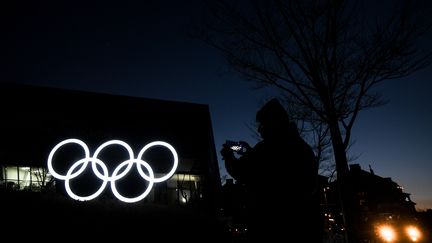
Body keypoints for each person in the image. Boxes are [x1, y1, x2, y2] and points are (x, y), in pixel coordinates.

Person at [220, 98, 321, 242]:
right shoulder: (301, 146)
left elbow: (243, 172)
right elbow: (270, 169)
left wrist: (229, 157)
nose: (259, 129)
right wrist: (250, 153)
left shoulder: (267, 148)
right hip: (303, 225)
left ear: (273, 122)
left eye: (262, 124)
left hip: (271, 225)